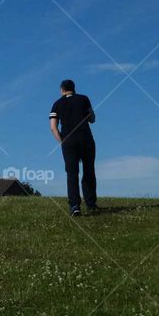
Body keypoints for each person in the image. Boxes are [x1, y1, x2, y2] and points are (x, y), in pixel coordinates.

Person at [49, 79, 97, 216]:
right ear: (74, 89)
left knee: (72, 174)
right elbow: (92, 118)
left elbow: (53, 127)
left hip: (69, 141)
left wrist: (62, 141)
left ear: (62, 90)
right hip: (86, 138)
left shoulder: (57, 104)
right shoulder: (84, 99)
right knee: (89, 171)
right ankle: (91, 203)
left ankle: (75, 205)